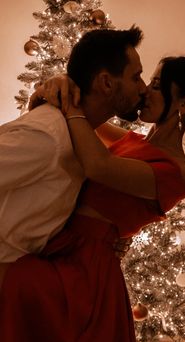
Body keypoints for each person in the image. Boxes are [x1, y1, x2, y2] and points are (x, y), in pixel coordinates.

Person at [0, 30, 185, 342]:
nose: (143, 91)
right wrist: (59, 85)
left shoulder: (183, 172)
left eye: (154, 84)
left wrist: (68, 97)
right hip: (63, 249)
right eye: (143, 79)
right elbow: (90, 121)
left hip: (86, 272)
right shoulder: (135, 141)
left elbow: (98, 164)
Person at [0, 26, 146, 282]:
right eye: (136, 77)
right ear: (106, 83)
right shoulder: (47, 136)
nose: (143, 88)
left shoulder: (83, 138)